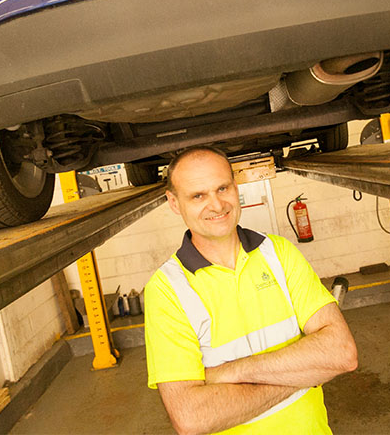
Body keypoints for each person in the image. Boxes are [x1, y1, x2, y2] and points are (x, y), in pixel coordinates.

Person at [144, 146, 358, 435]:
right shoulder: (167, 289)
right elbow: (192, 418)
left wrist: (232, 372)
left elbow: (342, 353)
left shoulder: (279, 254)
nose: (217, 205)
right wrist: (304, 371)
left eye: (223, 188)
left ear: (236, 186)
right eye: (198, 195)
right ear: (173, 202)